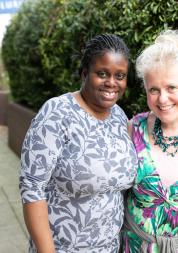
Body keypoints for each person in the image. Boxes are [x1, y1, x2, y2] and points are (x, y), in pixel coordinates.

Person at [19, 34, 137, 253]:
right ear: (85, 74)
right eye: (102, 73)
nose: (112, 82)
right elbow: (32, 188)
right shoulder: (57, 113)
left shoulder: (119, 116)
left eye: (119, 76)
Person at [122, 30, 178, 253]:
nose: (162, 99)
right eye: (153, 89)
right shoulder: (133, 128)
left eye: (171, 88)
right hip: (135, 246)